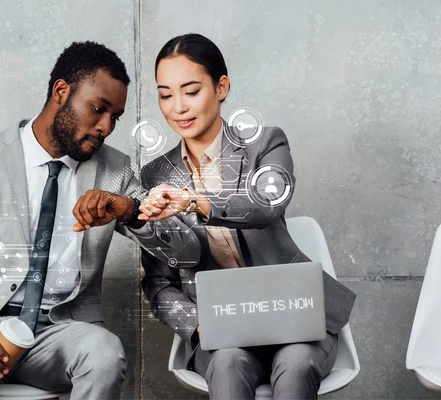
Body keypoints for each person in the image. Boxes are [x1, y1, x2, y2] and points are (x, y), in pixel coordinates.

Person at [0, 41, 197, 400]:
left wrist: (130, 210)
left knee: (103, 353)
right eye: (98, 109)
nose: (105, 127)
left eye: (114, 117)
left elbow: (185, 248)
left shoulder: (115, 170)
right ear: (61, 91)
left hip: (57, 335)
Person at [138, 33, 356, 400]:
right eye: (165, 94)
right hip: (221, 331)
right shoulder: (156, 176)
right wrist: (198, 324)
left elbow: (266, 205)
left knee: (299, 364)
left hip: (296, 318)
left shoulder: (265, 144)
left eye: (191, 91)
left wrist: (194, 200)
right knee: (226, 364)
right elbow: (159, 282)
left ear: (221, 87)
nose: (178, 107)